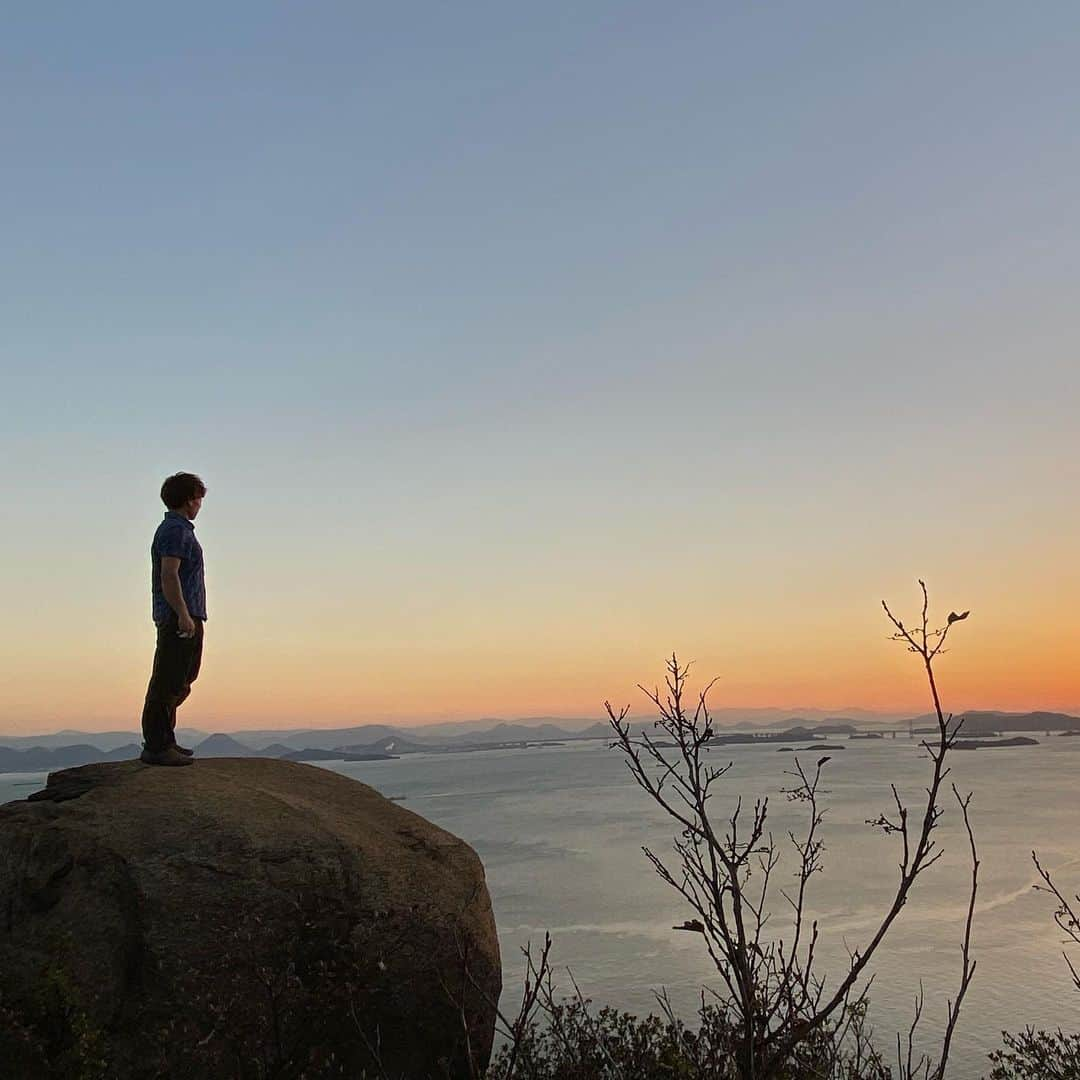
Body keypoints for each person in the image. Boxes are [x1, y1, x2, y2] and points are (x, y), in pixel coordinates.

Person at [139, 472, 208, 766]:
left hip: (185, 613)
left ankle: (165, 740)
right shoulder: (175, 531)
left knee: (182, 677)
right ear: (188, 500)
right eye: (197, 498)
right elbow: (169, 575)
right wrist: (182, 614)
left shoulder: (179, 530)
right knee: (169, 679)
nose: (199, 504)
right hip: (178, 615)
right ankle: (157, 745)